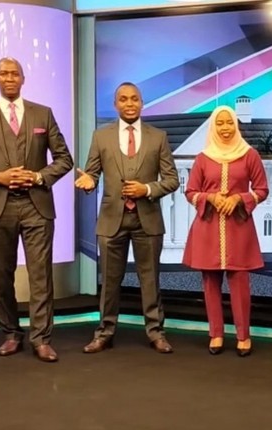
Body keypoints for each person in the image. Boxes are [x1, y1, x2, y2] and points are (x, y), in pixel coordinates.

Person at [0, 57, 73, 363]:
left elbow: (64, 159)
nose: (9, 78)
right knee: (1, 276)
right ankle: (11, 333)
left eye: (15, 74)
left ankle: (42, 338)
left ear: (24, 78)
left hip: (36, 205)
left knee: (40, 276)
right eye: (4, 73)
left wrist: (38, 176)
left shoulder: (42, 114)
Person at [74, 82, 180, 354]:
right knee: (109, 281)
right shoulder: (101, 136)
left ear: (142, 103)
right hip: (111, 220)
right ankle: (104, 333)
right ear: (116, 104)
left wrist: (146, 189)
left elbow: (171, 180)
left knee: (150, 280)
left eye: (134, 99)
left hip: (148, 219)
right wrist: (88, 181)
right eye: (123, 99)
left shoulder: (159, 137)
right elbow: (92, 173)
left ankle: (156, 332)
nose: (129, 103)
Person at [181, 106, 268, 357]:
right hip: (208, 227)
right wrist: (210, 198)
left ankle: (243, 336)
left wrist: (239, 199)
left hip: (238, 226)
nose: (225, 128)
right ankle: (216, 334)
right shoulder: (203, 157)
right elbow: (190, 192)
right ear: (213, 127)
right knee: (210, 282)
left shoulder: (249, 155)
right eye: (220, 123)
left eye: (229, 122)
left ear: (236, 124)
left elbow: (261, 190)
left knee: (239, 282)